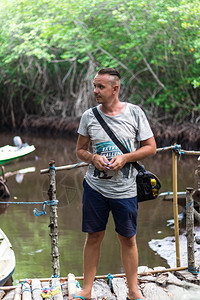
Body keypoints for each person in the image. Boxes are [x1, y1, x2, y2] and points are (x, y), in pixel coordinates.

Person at [69, 68, 156, 300]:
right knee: (93, 236)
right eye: (94, 86)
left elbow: (150, 147)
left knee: (128, 239)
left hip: (126, 189)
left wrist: (125, 158)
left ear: (115, 89)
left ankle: (133, 290)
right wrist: (93, 158)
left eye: (100, 87)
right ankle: (86, 291)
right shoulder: (89, 116)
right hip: (95, 188)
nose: (95, 91)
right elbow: (80, 150)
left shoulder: (135, 113)